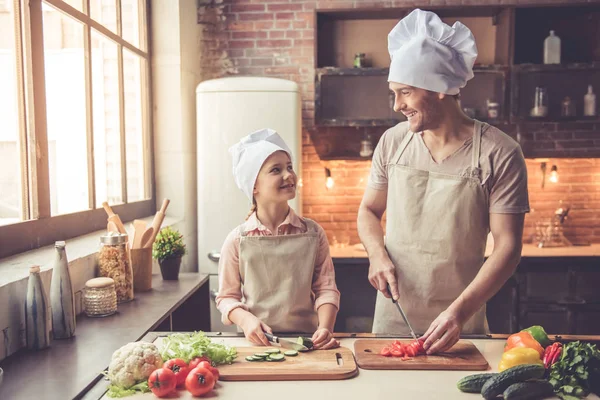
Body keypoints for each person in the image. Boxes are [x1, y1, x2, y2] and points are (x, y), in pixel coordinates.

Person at [357, 9, 529, 354]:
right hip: (395, 315)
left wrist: (459, 313)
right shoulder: (393, 142)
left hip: (462, 322)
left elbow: (508, 247)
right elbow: (368, 211)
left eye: (405, 92)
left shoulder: (500, 152)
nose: (397, 105)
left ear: (437, 88)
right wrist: (377, 254)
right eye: (395, 93)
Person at [216, 128, 341, 350]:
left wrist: (326, 328)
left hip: (308, 342)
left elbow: (326, 288)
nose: (288, 175)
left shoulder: (313, 233)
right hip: (256, 344)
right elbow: (226, 297)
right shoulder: (237, 240)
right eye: (276, 170)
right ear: (253, 186)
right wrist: (246, 320)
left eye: (289, 167)